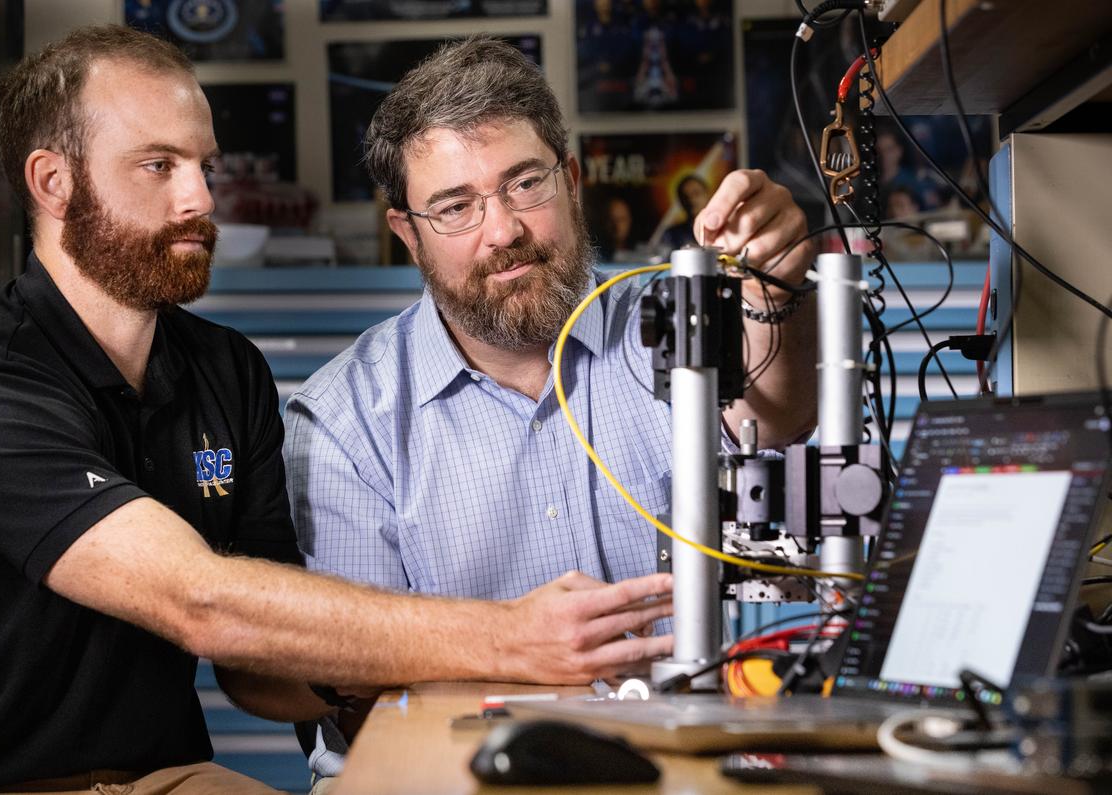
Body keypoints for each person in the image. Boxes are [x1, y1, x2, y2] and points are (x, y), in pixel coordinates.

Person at [0, 26, 676, 795]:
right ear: (54, 183)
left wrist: (370, 682)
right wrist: (509, 638)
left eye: (206, 164)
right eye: (159, 166)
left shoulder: (222, 370)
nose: (203, 199)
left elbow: (261, 664)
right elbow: (200, 602)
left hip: (167, 777)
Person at [283, 35, 818, 780]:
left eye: (524, 183)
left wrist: (772, 291)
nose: (502, 230)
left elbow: (780, 410)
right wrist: (505, 643)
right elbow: (358, 674)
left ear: (570, 179)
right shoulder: (346, 422)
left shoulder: (670, 318)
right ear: (406, 231)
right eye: (454, 207)